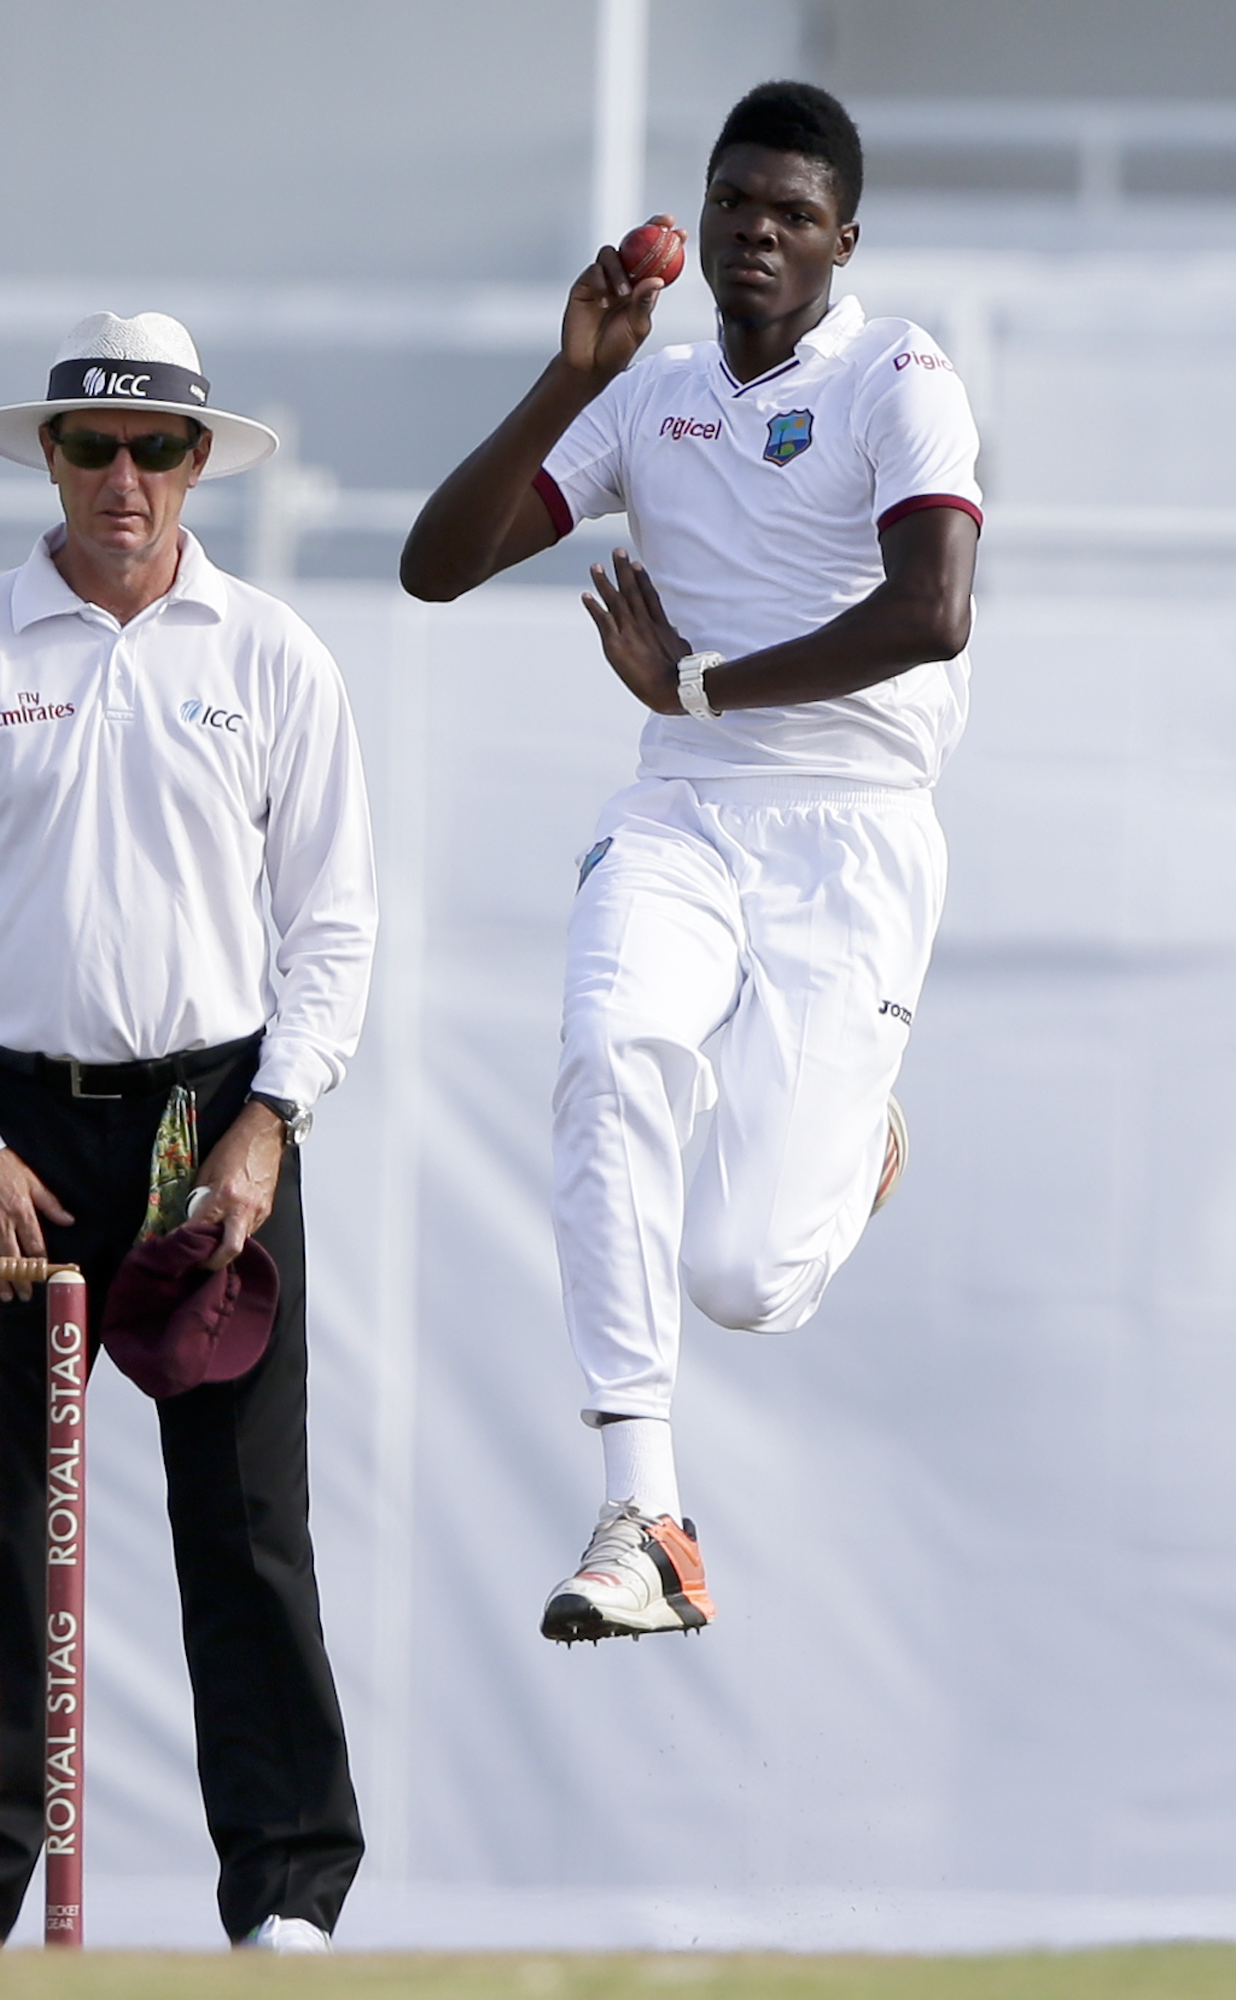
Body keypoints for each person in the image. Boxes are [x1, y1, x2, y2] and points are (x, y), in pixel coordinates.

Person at [400, 82, 981, 1644]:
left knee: (741, 1277)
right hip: (680, 803)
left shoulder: (897, 372)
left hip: (850, 824)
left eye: (792, 214)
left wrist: (708, 682)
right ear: (699, 213)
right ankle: (641, 1515)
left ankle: (853, 1144)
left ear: (840, 242)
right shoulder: (643, 391)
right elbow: (434, 567)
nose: (754, 233)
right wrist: (560, 376)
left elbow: (933, 611)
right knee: (607, 1050)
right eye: (735, 203)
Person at [0, 312, 375, 1950]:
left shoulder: (271, 654)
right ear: (53, 461)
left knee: (243, 1517)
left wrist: (272, 1120)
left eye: (159, 447)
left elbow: (333, 924)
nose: (127, 478)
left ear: (200, 460)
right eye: (95, 448)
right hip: (7, 1132)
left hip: (210, 1126)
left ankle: (286, 1901)